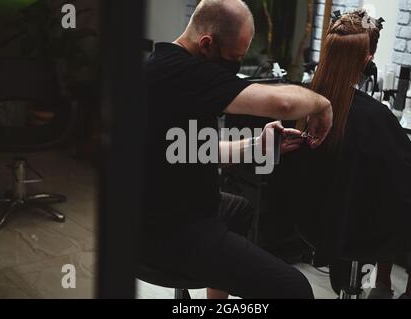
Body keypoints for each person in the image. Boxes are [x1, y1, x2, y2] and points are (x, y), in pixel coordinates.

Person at [141, 0, 332, 299]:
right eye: (235, 57)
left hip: (164, 211)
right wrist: (322, 102)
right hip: (172, 230)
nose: (237, 66)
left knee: (239, 208)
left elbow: (198, 148)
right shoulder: (183, 73)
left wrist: (259, 145)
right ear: (206, 44)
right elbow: (283, 104)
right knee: (295, 289)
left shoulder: (164, 65)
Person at [269, 9, 411, 298]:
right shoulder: (374, 116)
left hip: (312, 224)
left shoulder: (299, 103)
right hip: (358, 230)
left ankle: (380, 284)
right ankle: (405, 290)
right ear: (367, 61)